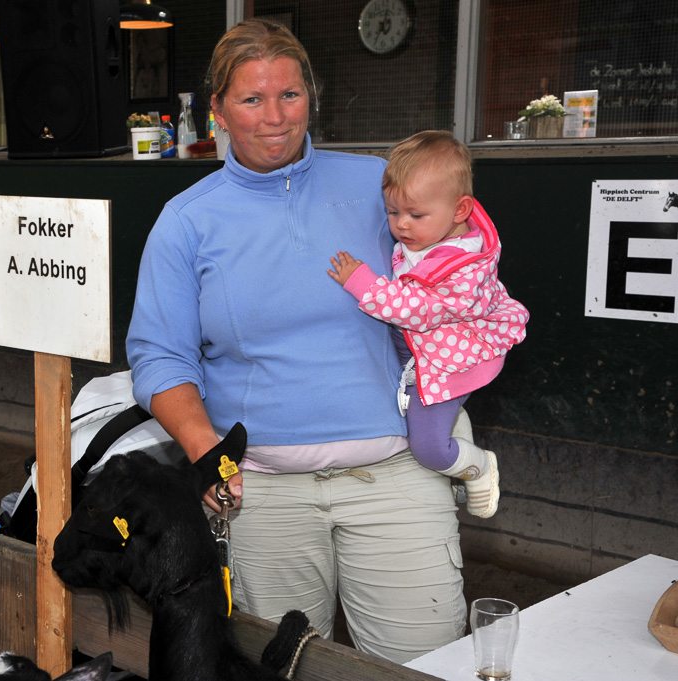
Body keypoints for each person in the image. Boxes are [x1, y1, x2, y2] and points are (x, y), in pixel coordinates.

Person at [126, 18, 469, 663]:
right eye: (252, 99)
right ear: (218, 112)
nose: (275, 117)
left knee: (421, 666)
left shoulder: (379, 187)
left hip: (398, 476)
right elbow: (159, 357)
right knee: (282, 668)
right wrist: (206, 452)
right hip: (262, 493)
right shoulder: (186, 221)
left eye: (290, 95)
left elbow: (466, 267)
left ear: (313, 96)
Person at [327, 131, 528, 520]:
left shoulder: (466, 267)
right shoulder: (428, 236)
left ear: (460, 210)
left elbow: (420, 309)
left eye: (415, 215)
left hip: (445, 368)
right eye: (392, 212)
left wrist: (362, 283)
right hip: (418, 359)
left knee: (429, 450)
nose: (401, 225)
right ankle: (451, 416)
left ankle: (476, 464)